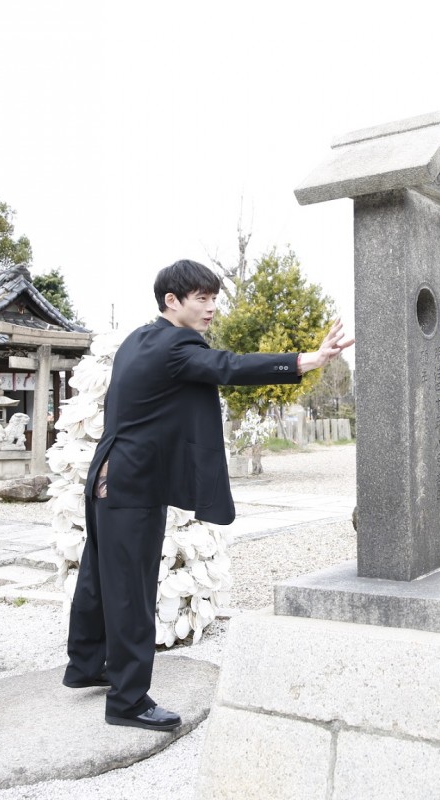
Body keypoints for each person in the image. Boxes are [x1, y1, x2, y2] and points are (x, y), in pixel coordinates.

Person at [63, 259, 354, 730]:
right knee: (132, 591)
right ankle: (128, 701)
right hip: (133, 483)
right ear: (171, 301)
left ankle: (87, 666)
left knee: (100, 576)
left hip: (107, 475)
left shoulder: (140, 338)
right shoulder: (177, 345)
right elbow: (228, 367)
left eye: (214, 298)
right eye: (202, 298)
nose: (212, 308)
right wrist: (307, 360)